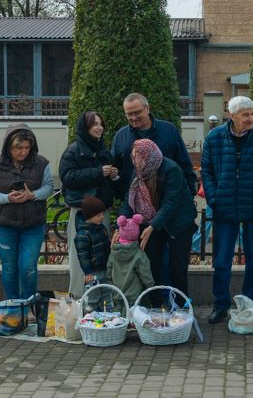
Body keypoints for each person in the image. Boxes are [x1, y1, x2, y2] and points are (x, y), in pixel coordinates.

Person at [200, 96, 253, 323]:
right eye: (246, 114)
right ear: (232, 116)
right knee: (222, 260)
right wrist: (214, 199)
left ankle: (248, 303)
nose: (251, 118)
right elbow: (207, 172)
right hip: (224, 208)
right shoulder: (214, 138)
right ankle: (220, 304)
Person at [0, 123, 52, 301]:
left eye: (27, 148)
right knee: (10, 267)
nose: (23, 152)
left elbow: (49, 187)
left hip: (33, 223)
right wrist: (7, 198)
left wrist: (33, 195)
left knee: (28, 266)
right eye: (18, 148)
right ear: (8, 146)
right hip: (3, 224)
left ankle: (28, 304)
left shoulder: (41, 162)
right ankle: (13, 305)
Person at [120, 137, 197, 298]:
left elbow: (171, 202)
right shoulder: (139, 171)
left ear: (148, 155)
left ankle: (181, 307)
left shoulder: (171, 169)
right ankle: (156, 306)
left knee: (177, 268)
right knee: (152, 266)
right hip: (153, 224)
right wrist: (119, 224)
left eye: (137, 157)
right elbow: (130, 198)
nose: (134, 161)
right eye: (132, 157)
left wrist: (153, 225)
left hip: (178, 224)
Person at [59, 110, 117, 293]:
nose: (99, 128)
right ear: (85, 127)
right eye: (94, 124)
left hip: (101, 211)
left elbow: (106, 180)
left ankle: (99, 301)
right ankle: (78, 298)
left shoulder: (103, 150)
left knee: (101, 256)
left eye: (101, 124)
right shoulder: (73, 150)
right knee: (79, 258)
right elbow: (67, 177)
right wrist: (99, 172)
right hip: (82, 212)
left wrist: (113, 175)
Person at [111, 93, 197, 197]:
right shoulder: (121, 136)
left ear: (147, 109)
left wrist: (190, 194)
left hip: (167, 198)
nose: (133, 118)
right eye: (129, 114)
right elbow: (116, 169)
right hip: (133, 202)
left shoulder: (169, 130)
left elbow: (184, 164)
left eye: (137, 112)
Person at [74, 195, 111, 287]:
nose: (102, 217)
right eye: (99, 215)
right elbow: (83, 256)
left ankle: (107, 302)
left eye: (102, 214)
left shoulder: (102, 228)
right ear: (89, 217)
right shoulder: (82, 234)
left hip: (105, 269)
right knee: (93, 295)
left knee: (107, 293)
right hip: (93, 273)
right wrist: (88, 272)